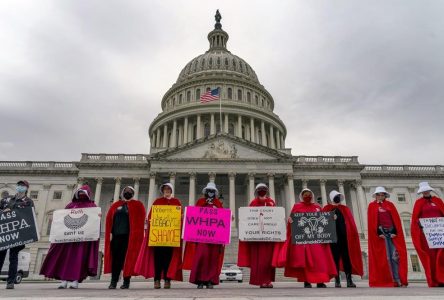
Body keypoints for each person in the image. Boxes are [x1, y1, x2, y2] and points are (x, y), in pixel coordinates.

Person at [274, 188, 337, 288]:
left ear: (312, 195)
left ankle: (320, 281)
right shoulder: (297, 206)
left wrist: (332, 219)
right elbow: (293, 221)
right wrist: (290, 221)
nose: (307, 196)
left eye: (309, 194)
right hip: (304, 241)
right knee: (307, 262)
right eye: (305, 195)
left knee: (319, 261)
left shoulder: (317, 207)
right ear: (302, 196)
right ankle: (307, 281)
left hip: (317, 240)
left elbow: (324, 222)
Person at [40, 184, 99, 289]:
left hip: (82, 240)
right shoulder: (70, 205)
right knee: (65, 259)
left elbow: (93, 222)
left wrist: (98, 217)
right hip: (67, 239)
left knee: (78, 260)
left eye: (83, 193)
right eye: (80, 192)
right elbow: (63, 219)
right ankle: (63, 280)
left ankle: (75, 280)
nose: (81, 194)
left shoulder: (92, 207)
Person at [135, 183, 183, 289]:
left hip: (170, 237)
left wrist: (181, 218)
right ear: (162, 190)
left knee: (168, 260)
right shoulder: (157, 202)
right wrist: (150, 220)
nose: (167, 190)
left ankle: (167, 280)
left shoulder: (176, 202)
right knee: (158, 260)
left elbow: (180, 217)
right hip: (158, 237)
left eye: (168, 189)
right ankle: (156, 280)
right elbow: (150, 215)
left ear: (171, 190)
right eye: (165, 189)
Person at [183, 182, 225, 289]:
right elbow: (194, 216)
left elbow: (223, 220)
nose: (210, 192)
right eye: (208, 191)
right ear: (205, 192)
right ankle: (200, 280)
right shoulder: (200, 201)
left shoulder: (218, 203)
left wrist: (228, 218)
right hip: (201, 237)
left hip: (215, 238)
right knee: (202, 257)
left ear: (214, 192)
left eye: (212, 191)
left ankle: (210, 280)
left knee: (212, 259)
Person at [104, 186, 145, 289]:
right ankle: (113, 281)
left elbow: (141, 220)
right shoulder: (116, 205)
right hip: (117, 237)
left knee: (128, 260)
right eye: (126, 191)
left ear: (133, 193)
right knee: (116, 260)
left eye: (130, 191)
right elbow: (109, 220)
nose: (127, 192)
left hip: (130, 238)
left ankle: (126, 282)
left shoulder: (138, 205)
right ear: (122, 192)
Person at [238, 183, 277, 288]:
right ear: (256, 191)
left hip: (269, 236)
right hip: (256, 238)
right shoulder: (253, 203)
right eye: (260, 189)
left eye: (264, 189)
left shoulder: (271, 202)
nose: (262, 191)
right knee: (258, 260)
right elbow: (249, 218)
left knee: (268, 260)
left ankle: (268, 280)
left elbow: (276, 217)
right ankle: (260, 280)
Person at [368, 186, 408, 287]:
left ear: (385, 195)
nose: (380, 196)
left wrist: (395, 231)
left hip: (391, 232)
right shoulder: (372, 206)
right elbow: (372, 222)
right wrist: (378, 232)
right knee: (386, 258)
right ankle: (389, 279)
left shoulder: (390, 205)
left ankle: (397, 278)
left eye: (382, 195)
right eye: (378, 195)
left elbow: (395, 219)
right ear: (375, 196)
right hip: (381, 234)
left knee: (395, 256)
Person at [323, 190, 363, 288]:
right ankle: (337, 281)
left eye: (339, 196)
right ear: (331, 198)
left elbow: (351, 224)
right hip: (333, 240)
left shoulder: (345, 209)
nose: (338, 198)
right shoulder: (326, 209)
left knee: (347, 259)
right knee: (335, 260)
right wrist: (331, 218)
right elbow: (322, 223)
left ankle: (349, 280)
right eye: (336, 197)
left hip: (345, 239)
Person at [0, 180, 35, 289]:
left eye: (22, 186)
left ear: (26, 188)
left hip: (18, 235)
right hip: (5, 233)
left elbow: (31, 217)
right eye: (19, 185)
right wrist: (3, 212)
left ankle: (10, 281)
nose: (20, 187)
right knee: (0, 257)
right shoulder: (7, 199)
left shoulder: (29, 202)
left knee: (13, 258)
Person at [411, 182, 444, 287]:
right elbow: (415, 219)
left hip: (440, 234)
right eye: (423, 190)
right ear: (421, 192)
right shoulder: (418, 203)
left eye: (427, 190)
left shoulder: (438, 201)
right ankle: (434, 280)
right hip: (427, 236)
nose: (425, 192)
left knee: (441, 256)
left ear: (429, 190)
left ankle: (442, 278)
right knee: (431, 257)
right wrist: (419, 224)